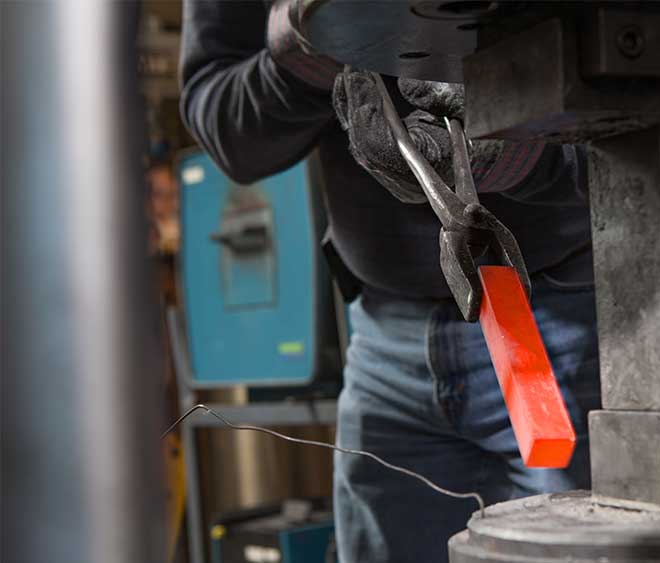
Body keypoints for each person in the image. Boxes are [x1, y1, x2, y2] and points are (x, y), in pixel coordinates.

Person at [179, 2, 599, 562]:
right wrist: (313, 46)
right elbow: (224, 125)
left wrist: (524, 151)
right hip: (383, 340)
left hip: (576, 313)